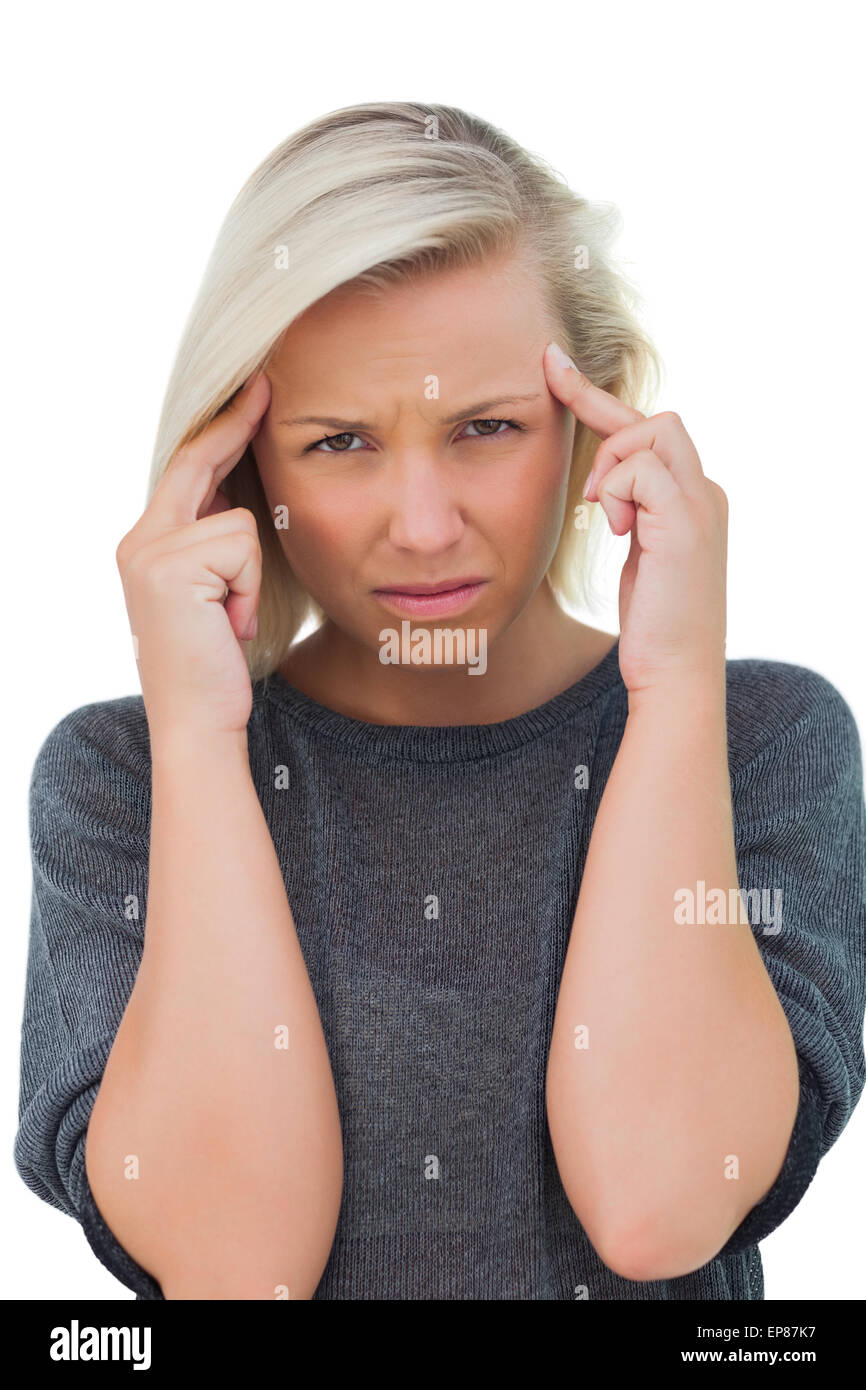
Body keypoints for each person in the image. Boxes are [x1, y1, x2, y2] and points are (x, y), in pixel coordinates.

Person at [14, 101, 866, 1300]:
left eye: (485, 427)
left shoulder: (762, 743)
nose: (423, 528)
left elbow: (658, 1203)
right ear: (237, 467)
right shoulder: (124, 778)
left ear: (588, 426)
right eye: (339, 444)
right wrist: (201, 738)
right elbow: (233, 1271)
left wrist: (673, 683)